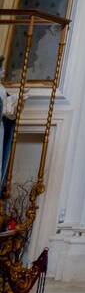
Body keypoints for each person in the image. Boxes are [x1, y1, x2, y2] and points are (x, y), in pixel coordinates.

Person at [0, 55, 20, 194]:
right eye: (1, 68)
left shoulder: (1, 89)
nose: (3, 71)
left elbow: (8, 113)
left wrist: (17, 100)